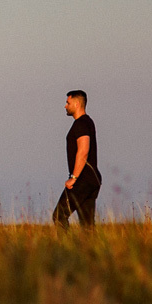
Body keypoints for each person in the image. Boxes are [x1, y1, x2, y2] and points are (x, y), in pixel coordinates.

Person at [53, 90, 101, 228]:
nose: (65, 106)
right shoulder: (87, 122)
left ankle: (65, 249)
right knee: (87, 225)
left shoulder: (81, 124)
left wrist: (74, 177)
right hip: (91, 180)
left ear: (77, 103)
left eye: (68, 103)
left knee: (59, 215)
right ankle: (87, 249)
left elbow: (83, 150)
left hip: (83, 180)